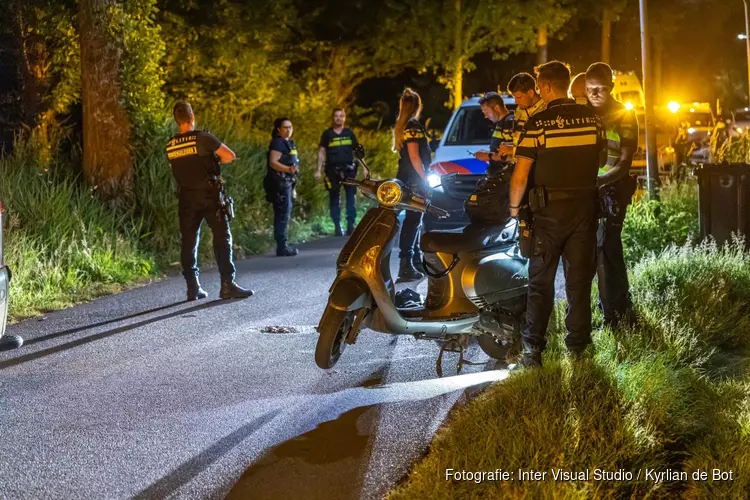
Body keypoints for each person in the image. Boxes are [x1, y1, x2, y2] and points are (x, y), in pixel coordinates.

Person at [509, 61, 606, 369]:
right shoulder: (592, 119)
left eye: (538, 86)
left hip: (547, 214)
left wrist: (514, 209)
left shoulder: (538, 123)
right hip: (584, 210)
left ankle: (533, 351)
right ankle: (578, 348)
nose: (537, 90)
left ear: (548, 87)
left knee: (540, 283)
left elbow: (521, 174)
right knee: (579, 282)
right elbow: (601, 157)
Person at [165, 101, 254, 301]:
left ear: (176, 120)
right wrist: (214, 159)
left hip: (186, 198)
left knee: (189, 242)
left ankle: (192, 288)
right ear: (192, 116)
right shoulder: (203, 138)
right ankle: (227, 285)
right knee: (222, 238)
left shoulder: (170, 145)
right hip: (209, 196)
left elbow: (174, 168)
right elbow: (230, 156)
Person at [585, 62, 639, 327]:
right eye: (590, 89)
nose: (595, 94)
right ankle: (610, 305)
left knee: (607, 248)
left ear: (611, 88)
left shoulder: (624, 115)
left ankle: (616, 313)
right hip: (586, 191)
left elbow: (625, 162)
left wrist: (600, 181)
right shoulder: (581, 113)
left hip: (612, 190)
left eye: (601, 89)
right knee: (592, 251)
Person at [393, 88, 431, 283]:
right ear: (417, 106)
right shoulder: (413, 125)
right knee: (413, 221)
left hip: (406, 178)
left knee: (413, 221)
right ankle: (406, 265)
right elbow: (415, 156)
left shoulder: (402, 126)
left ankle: (413, 261)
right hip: (415, 180)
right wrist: (425, 177)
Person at [315, 108, 365, 236]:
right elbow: (321, 152)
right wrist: (318, 170)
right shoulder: (327, 134)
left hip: (349, 171)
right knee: (334, 197)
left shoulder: (349, 133)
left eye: (341, 116)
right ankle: (337, 225)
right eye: (336, 116)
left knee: (350, 197)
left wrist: (365, 168)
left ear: (344, 118)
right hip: (333, 171)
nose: (338, 118)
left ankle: (350, 224)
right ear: (332, 118)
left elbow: (358, 152)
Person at [265, 118, 300, 257]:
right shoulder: (278, 142)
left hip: (287, 183)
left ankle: (283, 244)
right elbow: (273, 162)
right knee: (282, 214)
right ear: (278, 129)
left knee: (285, 213)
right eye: (285, 127)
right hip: (280, 184)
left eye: (290, 127)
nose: (288, 130)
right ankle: (282, 246)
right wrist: (289, 169)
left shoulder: (288, 143)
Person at [473, 92, 515, 176]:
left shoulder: (510, 123)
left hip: (506, 179)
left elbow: (515, 155)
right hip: (498, 178)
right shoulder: (500, 123)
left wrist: (487, 156)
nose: (485, 116)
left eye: (486, 111)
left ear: (497, 108)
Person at [506, 72, 547, 157]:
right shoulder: (520, 109)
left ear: (531, 93)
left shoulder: (545, 110)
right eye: (514, 97)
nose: (516, 101)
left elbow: (544, 147)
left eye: (519, 97)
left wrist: (512, 150)